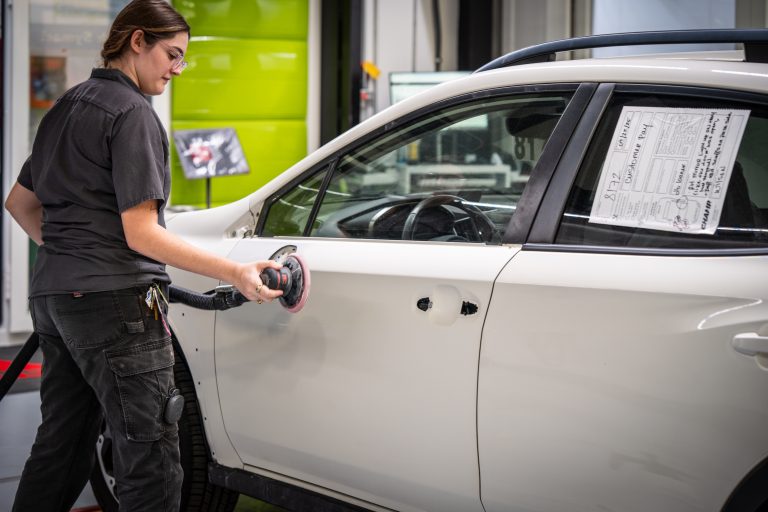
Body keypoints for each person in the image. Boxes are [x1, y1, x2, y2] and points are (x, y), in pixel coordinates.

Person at [4, 1, 282, 510]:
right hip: (115, 309)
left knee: (60, 449)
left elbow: (19, 204)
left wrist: (72, 253)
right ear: (137, 41)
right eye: (171, 54)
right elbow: (142, 234)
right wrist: (237, 271)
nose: (177, 68)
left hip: (54, 300)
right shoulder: (132, 113)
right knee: (150, 460)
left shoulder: (65, 107)